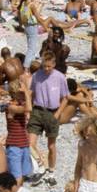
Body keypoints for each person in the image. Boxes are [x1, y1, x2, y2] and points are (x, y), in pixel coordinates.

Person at [29, 53, 67, 184]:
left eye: (49, 66)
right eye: (44, 66)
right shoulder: (36, 76)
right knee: (30, 143)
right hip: (37, 111)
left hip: (52, 112)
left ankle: (51, 171)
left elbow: (65, 97)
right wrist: (29, 110)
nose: (46, 69)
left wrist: (58, 113)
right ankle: (40, 166)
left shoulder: (60, 77)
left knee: (51, 146)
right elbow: (32, 93)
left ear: (54, 65)